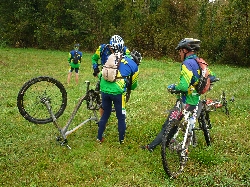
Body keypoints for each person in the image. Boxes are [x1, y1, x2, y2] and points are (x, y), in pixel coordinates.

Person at [141, 38, 216, 152]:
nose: (179, 53)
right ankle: (207, 144)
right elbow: (212, 77)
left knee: (169, 124)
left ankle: (151, 147)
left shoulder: (187, 64)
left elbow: (183, 87)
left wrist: (173, 87)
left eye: (180, 51)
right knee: (187, 124)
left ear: (185, 50)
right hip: (196, 101)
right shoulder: (200, 62)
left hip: (185, 103)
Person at [96, 42, 142, 144]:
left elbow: (101, 74)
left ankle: (99, 138)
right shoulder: (133, 64)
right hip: (118, 92)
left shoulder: (111, 58)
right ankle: (121, 140)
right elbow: (133, 85)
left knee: (105, 114)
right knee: (121, 117)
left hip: (104, 89)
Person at [91, 35, 131, 116]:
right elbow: (94, 58)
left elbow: (130, 60)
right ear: (110, 46)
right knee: (103, 101)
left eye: (120, 50)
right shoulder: (102, 48)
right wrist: (96, 69)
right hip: (105, 75)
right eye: (115, 50)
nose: (117, 52)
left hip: (119, 76)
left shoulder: (125, 49)